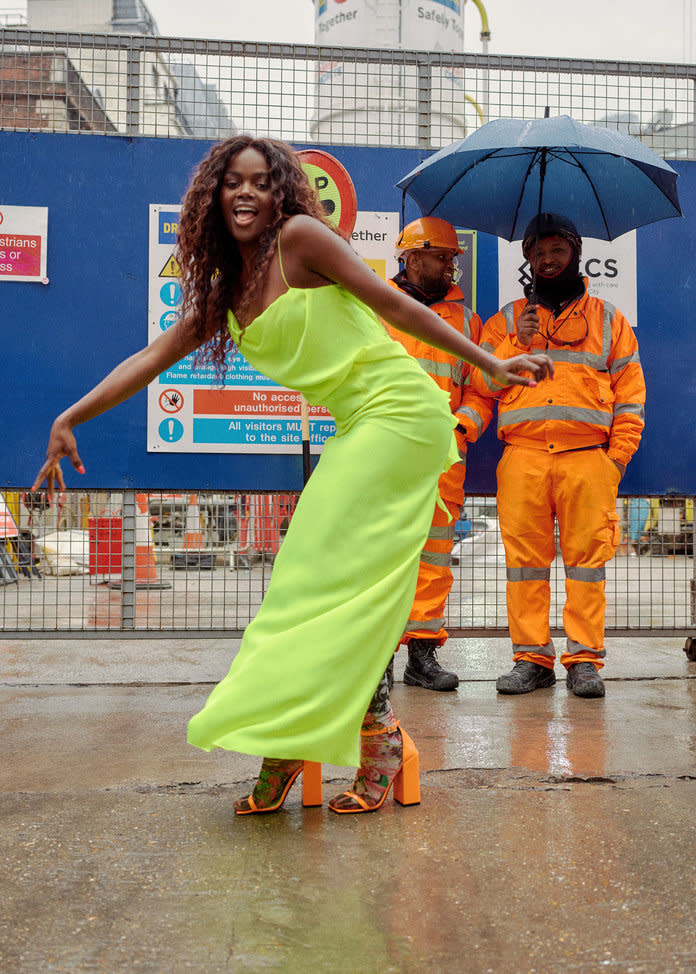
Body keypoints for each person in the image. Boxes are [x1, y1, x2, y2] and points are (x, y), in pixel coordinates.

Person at [32, 135, 552, 816]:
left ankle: (362, 741)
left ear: (281, 193)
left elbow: (392, 305)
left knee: (317, 582)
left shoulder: (301, 240)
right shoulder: (224, 294)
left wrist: (488, 364)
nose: (245, 193)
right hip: (356, 427)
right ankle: (308, 738)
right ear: (212, 198)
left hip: (398, 415)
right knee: (307, 591)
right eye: (232, 183)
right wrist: (69, 416)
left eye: (260, 182)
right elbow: (151, 356)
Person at [473, 212, 646, 699]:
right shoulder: (506, 320)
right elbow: (482, 382)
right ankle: (531, 659)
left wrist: (616, 460)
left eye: (557, 251)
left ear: (575, 254)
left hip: (588, 458)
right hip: (523, 456)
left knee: (586, 563)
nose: (547, 260)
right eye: (538, 252)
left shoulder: (609, 320)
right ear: (527, 259)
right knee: (524, 564)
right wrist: (516, 342)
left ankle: (584, 660)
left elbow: (631, 396)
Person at [386, 217, 494, 691]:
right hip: (384, 452)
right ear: (411, 257)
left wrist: (461, 426)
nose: (452, 266)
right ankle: (371, 664)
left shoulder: (469, 322)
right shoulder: (376, 310)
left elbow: (482, 391)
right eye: (442, 257)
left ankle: (421, 656)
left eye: (453, 259)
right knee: (380, 556)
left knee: (433, 558)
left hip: (443, 457)